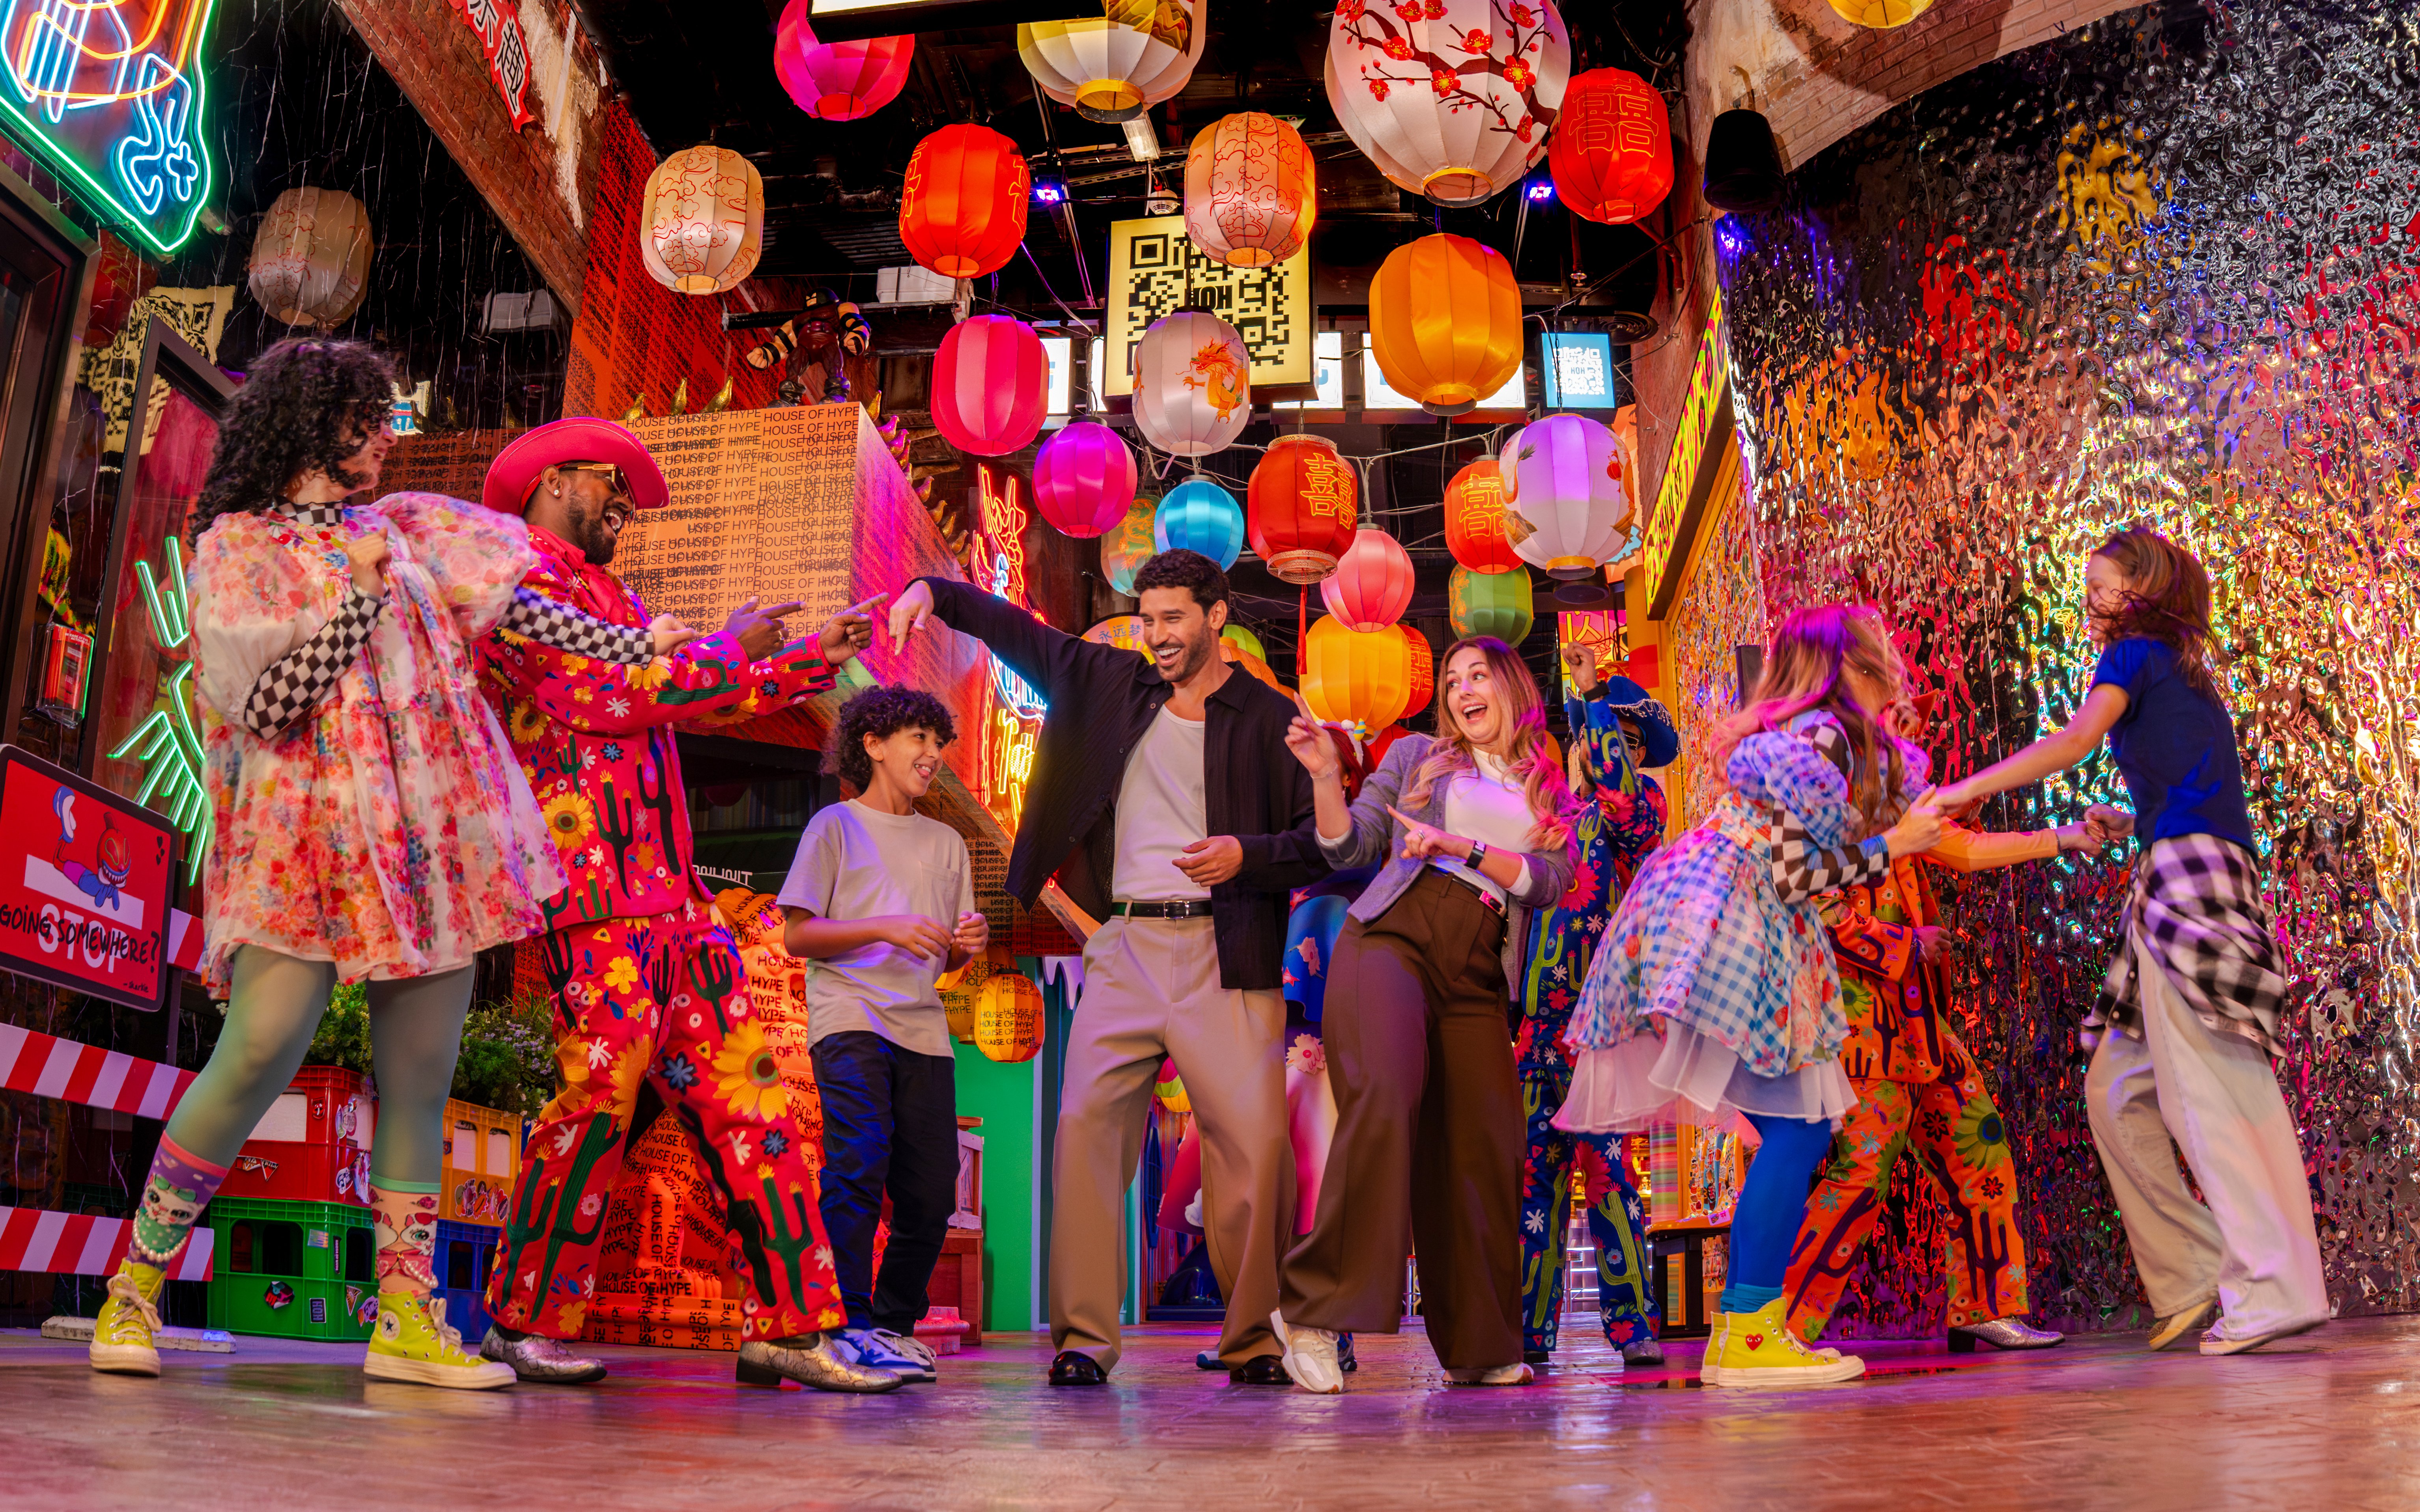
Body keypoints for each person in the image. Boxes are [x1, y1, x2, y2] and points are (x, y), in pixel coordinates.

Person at [89, 340, 687, 1387]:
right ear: (308, 423)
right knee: (261, 1047)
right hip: (304, 838)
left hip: (428, 838)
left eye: (385, 421)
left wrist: (643, 645)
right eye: (365, 419)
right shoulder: (240, 547)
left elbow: (517, 612)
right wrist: (360, 601)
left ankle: (406, 1317)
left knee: (422, 1076)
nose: (382, 439)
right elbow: (264, 702)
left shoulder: (404, 531)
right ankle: (133, 1287)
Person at [469, 417, 897, 1394]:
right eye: (611, 484)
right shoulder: (519, 582)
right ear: (553, 481)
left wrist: (806, 660)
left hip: (680, 910)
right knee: (592, 1111)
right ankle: (519, 1321)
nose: (625, 503)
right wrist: (719, 648)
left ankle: (793, 1325)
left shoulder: (613, 594)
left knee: (760, 1113)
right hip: (599, 903)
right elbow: (609, 696)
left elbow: (686, 697)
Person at [885, 549, 1327, 1385]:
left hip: (1226, 951)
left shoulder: (1270, 718)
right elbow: (1009, 629)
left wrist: (1247, 855)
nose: (1156, 635)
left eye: (1173, 619)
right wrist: (930, 593)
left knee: (1256, 1148)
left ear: (1216, 616)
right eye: (1147, 617)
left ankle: (1250, 1340)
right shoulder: (1106, 679)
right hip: (1124, 946)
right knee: (1085, 1130)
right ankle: (1084, 1339)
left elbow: (1319, 843)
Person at [1932, 527, 2327, 1355]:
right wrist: (2130, 821)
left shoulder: (2134, 653)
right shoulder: (2170, 664)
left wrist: (1962, 789)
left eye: (2100, 584)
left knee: (2207, 1085)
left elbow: (2073, 741)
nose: (2088, 599)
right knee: (2117, 1086)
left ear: (2137, 589)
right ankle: (2194, 1274)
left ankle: (2271, 1286)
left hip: (2184, 874)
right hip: (2177, 864)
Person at [1555, 604, 1947, 1386]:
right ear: (1850, 665)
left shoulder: (1802, 738)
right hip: (1739, 924)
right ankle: (1748, 1334)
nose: (1889, 664)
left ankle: (1747, 1330)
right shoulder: (1821, 739)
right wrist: (1888, 849)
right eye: (1877, 653)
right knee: (1800, 1131)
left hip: (1716, 914)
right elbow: (1798, 873)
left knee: (1796, 1130)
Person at [1269, 636, 1580, 1394]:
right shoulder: (1415, 757)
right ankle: (1310, 1309)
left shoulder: (1548, 788)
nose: (1463, 688)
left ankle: (1480, 1341)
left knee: (1484, 1142)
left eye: (1479, 675)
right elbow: (1352, 847)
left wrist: (1463, 848)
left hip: (1477, 964)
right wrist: (1324, 779)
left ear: (1513, 688)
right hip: (1393, 938)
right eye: (1452, 678)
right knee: (1387, 1092)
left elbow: (1551, 882)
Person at [1781, 752, 2098, 1352]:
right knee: (1860, 1178)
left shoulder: (1903, 816)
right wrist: (1903, 942)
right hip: (1863, 1034)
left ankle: (1985, 1305)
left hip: (1924, 1029)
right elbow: (1814, 908)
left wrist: (2065, 838)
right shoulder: (1825, 814)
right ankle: (1786, 1327)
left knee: (1979, 1146)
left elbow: (1969, 850)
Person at [778, 684, 986, 1383]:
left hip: (924, 1029)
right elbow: (798, 935)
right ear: (872, 744)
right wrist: (882, 926)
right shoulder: (835, 826)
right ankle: (846, 1323)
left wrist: (969, 944)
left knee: (932, 1193)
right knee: (859, 1162)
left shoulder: (947, 842)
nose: (931, 755)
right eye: (917, 739)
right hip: (850, 1018)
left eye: (937, 741)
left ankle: (892, 1327)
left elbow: (949, 953)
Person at [1518, 643, 1679, 1368]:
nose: (1598, 743)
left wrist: (1591, 698)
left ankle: (1631, 1328)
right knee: (1532, 1187)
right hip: (1535, 1024)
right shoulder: (1555, 810)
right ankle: (1527, 1334)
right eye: (1594, 731)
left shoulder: (1640, 807)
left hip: (1600, 1027)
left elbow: (1617, 793)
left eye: (1617, 734)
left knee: (1610, 1179)